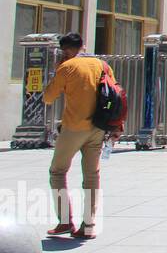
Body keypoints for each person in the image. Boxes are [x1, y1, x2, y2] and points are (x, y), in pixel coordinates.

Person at [41, 32, 120, 239]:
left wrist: (58, 70)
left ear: (65, 50)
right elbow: (114, 93)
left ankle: (65, 221)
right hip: (99, 127)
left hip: (74, 128)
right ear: (83, 46)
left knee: (57, 171)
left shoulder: (66, 67)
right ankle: (89, 224)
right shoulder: (102, 65)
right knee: (92, 175)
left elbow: (48, 97)